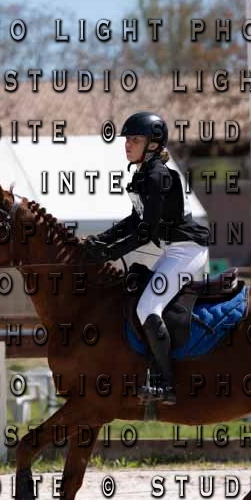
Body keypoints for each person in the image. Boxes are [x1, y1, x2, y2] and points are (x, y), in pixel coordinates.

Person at [83, 111, 210, 406]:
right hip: (172, 249)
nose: (127, 144)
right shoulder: (144, 174)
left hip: (188, 250)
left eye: (135, 139)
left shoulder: (157, 176)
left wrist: (109, 253)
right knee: (137, 295)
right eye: (127, 139)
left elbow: (146, 232)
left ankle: (166, 383)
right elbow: (134, 220)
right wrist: (101, 240)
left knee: (147, 307)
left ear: (153, 144)